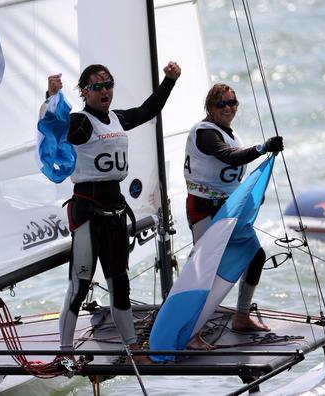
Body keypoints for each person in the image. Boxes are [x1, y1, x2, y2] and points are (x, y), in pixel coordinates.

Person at [44, 62, 181, 362]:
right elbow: (52, 127)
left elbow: (148, 110)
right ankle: (64, 354)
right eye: (97, 86)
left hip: (116, 212)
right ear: (84, 91)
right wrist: (50, 96)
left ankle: (132, 349)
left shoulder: (116, 119)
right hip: (87, 215)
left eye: (108, 84)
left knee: (120, 283)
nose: (105, 90)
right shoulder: (80, 122)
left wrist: (169, 81)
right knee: (79, 286)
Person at [183, 83, 283, 350]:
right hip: (204, 209)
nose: (228, 108)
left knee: (256, 256)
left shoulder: (231, 132)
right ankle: (192, 333)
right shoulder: (204, 132)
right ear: (210, 108)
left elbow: (233, 174)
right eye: (221, 104)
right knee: (205, 271)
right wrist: (262, 148)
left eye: (232, 103)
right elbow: (230, 158)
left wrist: (252, 196)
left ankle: (241, 315)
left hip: (229, 209)